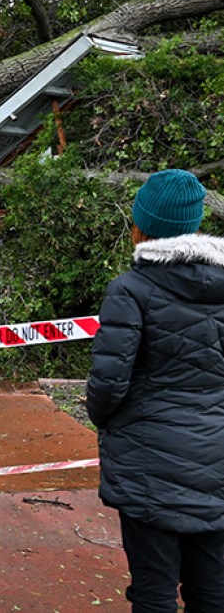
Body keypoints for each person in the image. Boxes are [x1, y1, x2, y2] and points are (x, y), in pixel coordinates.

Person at [87, 168, 224, 612]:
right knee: (213, 591)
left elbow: (107, 385)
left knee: (154, 590)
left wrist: (111, 424)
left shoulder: (131, 290)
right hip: (217, 464)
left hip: (148, 465)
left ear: (141, 228)